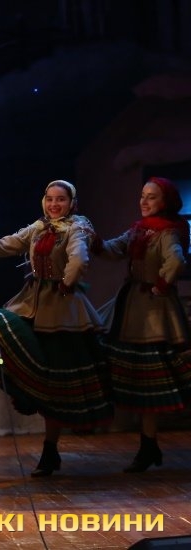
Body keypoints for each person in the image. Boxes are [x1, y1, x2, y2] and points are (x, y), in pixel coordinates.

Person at [0, 180, 111, 477]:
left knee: (55, 381)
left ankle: (50, 448)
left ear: (71, 203)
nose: (54, 204)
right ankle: (26, 396)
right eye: (50, 199)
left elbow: (79, 259)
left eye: (61, 199)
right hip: (31, 304)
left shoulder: (77, 227)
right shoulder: (39, 227)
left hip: (62, 313)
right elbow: (5, 244)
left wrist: (67, 283)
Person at [94, 177, 191, 473]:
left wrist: (161, 284)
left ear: (165, 202)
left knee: (152, 374)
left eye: (152, 197)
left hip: (153, 311)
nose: (144, 201)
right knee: (140, 376)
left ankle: (148, 445)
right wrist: (92, 241)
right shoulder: (139, 229)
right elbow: (113, 249)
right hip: (134, 306)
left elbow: (176, 261)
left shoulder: (167, 231)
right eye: (142, 196)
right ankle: (148, 444)